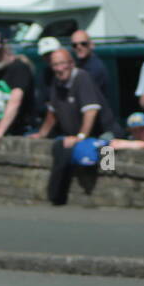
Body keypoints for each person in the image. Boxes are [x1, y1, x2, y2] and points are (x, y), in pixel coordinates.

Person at [28, 46, 116, 204]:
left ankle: (110, 199)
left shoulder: (82, 78)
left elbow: (91, 111)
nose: (59, 69)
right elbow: (52, 112)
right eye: (55, 65)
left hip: (104, 134)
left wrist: (80, 137)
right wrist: (42, 134)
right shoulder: (57, 81)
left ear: (71, 63)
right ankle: (56, 198)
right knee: (60, 148)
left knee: (108, 167)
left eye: (63, 64)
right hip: (79, 137)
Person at [70, 29, 110, 106]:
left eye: (83, 44)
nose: (79, 47)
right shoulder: (77, 65)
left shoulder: (95, 68)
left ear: (91, 45)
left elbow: (83, 96)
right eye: (75, 45)